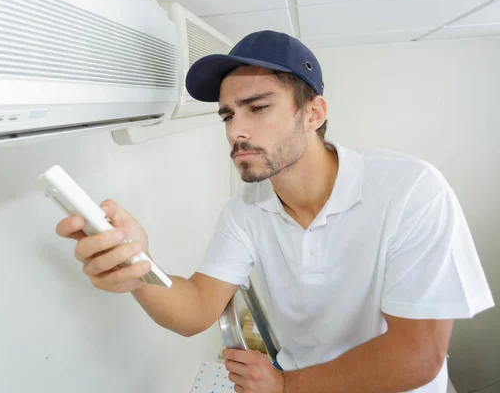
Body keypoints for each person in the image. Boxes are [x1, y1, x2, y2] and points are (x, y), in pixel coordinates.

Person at [55, 30, 494, 392]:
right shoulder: (245, 210)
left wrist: (286, 386)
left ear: (314, 113)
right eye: (227, 115)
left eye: (258, 107)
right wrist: (139, 267)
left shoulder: (411, 190)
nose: (236, 130)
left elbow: (416, 356)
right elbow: (196, 312)